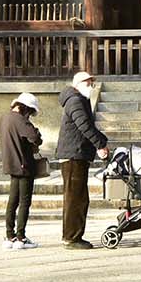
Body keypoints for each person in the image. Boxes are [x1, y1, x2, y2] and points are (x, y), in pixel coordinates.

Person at [54, 70, 109, 250]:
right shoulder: (75, 101)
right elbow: (84, 125)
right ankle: (71, 238)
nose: (91, 86)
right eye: (87, 83)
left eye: (92, 83)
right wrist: (100, 144)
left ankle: (73, 235)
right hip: (73, 155)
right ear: (77, 85)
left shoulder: (78, 100)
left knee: (78, 198)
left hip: (77, 154)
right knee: (74, 198)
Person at [0, 92, 44, 250]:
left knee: (13, 201)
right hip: (24, 165)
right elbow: (34, 138)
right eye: (31, 112)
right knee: (25, 202)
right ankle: (21, 237)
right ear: (26, 108)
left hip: (11, 164)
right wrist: (36, 133)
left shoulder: (6, 117)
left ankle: (9, 235)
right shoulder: (20, 120)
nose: (30, 116)